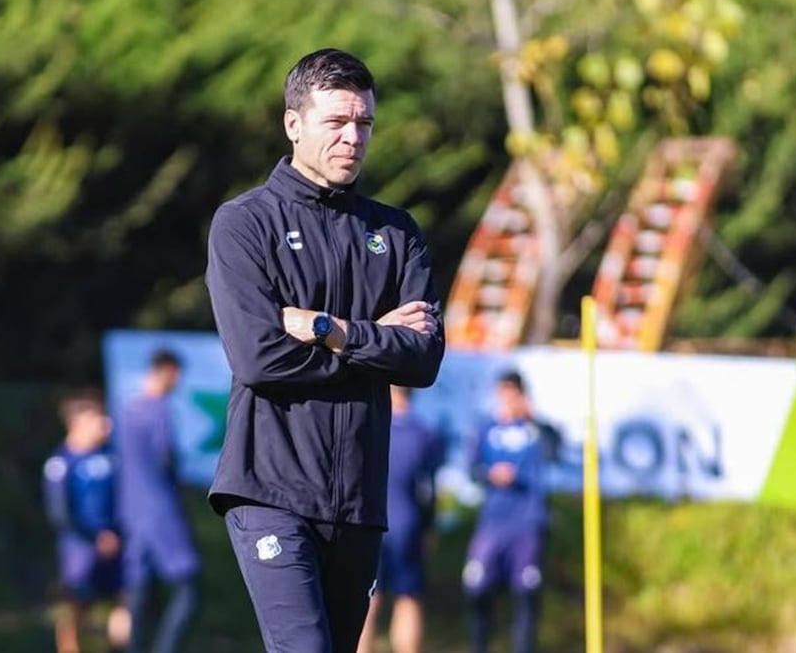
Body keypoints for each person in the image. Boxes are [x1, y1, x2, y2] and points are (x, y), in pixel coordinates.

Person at [204, 48, 445, 653]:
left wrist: (329, 329)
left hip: (359, 501)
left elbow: (421, 360)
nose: (352, 137)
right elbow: (260, 359)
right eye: (336, 122)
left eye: (363, 123)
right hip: (270, 493)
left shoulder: (396, 232)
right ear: (294, 125)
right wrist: (374, 338)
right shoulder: (244, 224)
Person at [462, 370, 562, 653]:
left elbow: (555, 450)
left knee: (526, 594)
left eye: (511, 393)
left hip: (527, 524)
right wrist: (491, 475)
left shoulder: (536, 430)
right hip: (492, 524)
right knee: (478, 590)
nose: (506, 400)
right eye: (501, 393)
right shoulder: (486, 428)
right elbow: (471, 469)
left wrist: (533, 418)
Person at [116, 349, 201, 653]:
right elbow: (166, 458)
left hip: (132, 512)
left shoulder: (127, 410)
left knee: (139, 592)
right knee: (189, 589)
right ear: (167, 371)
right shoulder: (159, 410)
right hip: (161, 510)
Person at [356, 386, 444, 653]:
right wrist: (429, 528)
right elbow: (427, 489)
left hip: (369, 523)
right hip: (408, 523)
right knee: (409, 599)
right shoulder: (425, 434)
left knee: (367, 603)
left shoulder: (368, 424)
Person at [43, 389, 131, 653]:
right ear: (77, 422)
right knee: (75, 608)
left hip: (117, 544)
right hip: (80, 549)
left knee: (127, 601)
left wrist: (118, 533)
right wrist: (94, 538)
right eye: (97, 418)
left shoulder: (112, 456)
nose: (106, 424)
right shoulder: (61, 463)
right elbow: (60, 514)